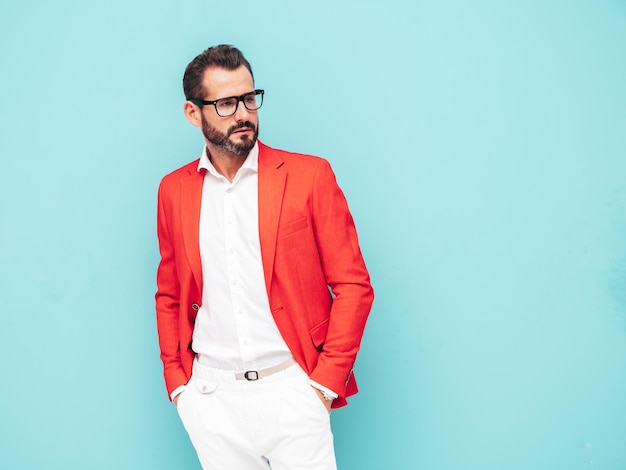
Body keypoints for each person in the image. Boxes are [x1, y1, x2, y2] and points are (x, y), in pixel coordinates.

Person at [155, 44, 374, 470]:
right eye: (225, 103)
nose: (243, 113)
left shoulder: (309, 176)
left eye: (249, 98)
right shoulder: (173, 191)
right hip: (211, 398)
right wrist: (179, 387)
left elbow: (354, 287)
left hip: (292, 390)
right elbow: (169, 294)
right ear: (192, 113)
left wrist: (323, 386)